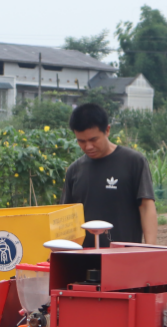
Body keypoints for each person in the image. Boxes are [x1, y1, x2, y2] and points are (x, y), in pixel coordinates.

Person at [63, 103, 157, 247]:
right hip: (83, 259)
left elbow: (146, 206)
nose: (88, 147)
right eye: (81, 141)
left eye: (93, 140)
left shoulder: (133, 162)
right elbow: (67, 218)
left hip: (124, 257)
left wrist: (151, 248)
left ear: (107, 130)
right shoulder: (74, 171)